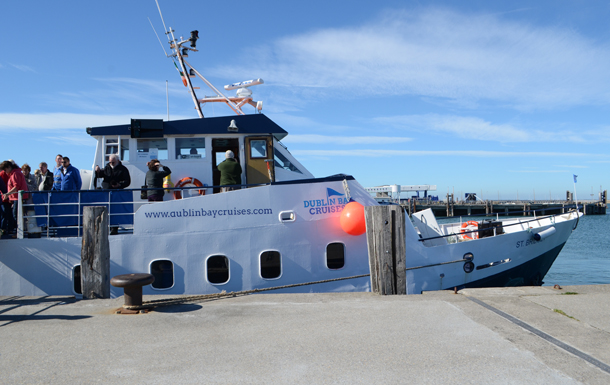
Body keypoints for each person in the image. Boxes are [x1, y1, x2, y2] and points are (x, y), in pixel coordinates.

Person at [0, 160, 29, 235]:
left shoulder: (15, 173)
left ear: (9, 167)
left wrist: (7, 194)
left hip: (19, 198)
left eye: (5, 170)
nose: (5, 172)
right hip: (16, 198)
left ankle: (19, 232)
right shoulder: (14, 173)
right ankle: (18, 232)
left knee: (16, 215)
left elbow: (16, 186)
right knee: (15, 215)